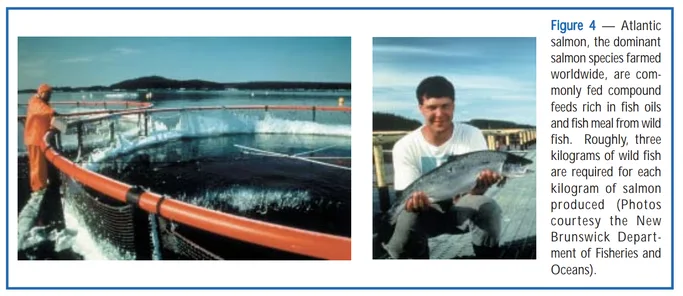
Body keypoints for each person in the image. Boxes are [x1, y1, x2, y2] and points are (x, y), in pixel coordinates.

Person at [381, 76, 503, 259]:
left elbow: (476, 193)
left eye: (445, 106)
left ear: (453, 105)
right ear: (420, 108)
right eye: (432, 107)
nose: (439, 113)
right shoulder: (405, 146)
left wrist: (482, 186)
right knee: (405, 223)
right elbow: (405, 198)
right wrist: (414, 205)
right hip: (424, 211)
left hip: (461, 205)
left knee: (488, 207)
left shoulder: (472, 135)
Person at [19, 83, 66, 249]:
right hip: (34, 139)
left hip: (38, 138)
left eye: (50, 94)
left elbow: (46, 113)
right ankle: (38, 187)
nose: (49, 96)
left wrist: (55, 120)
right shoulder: (36, 102)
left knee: (39, 167)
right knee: (37, 167)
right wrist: (55, 115)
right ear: (42, 93)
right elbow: (43, 112)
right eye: (48, 93)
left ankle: (39, 185)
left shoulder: (42, 102)